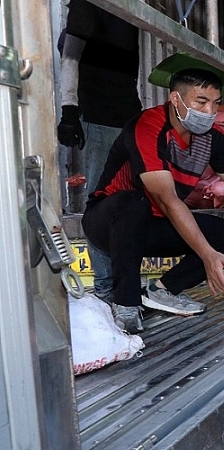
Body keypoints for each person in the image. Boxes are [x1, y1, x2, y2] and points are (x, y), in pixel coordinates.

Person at [81, 53, 224, 334]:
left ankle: (161, 290)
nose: (209, 111)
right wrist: (206, 254)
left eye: (215, 104)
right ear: (176, 100)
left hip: (153, 226)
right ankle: (126, 304)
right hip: (109, 222)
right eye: (201, 102)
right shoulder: (149, 126)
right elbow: (167, 199)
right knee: (135, 203)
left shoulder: (213, 138)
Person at [57, 0, 142, 304]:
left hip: (129, 115)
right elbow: (69, 56)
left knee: (133, 200)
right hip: (99, 115)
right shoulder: (88, 4)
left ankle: (127, 282)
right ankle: (106, 286)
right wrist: (69, 110)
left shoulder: (129, 9)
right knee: (102, 198)